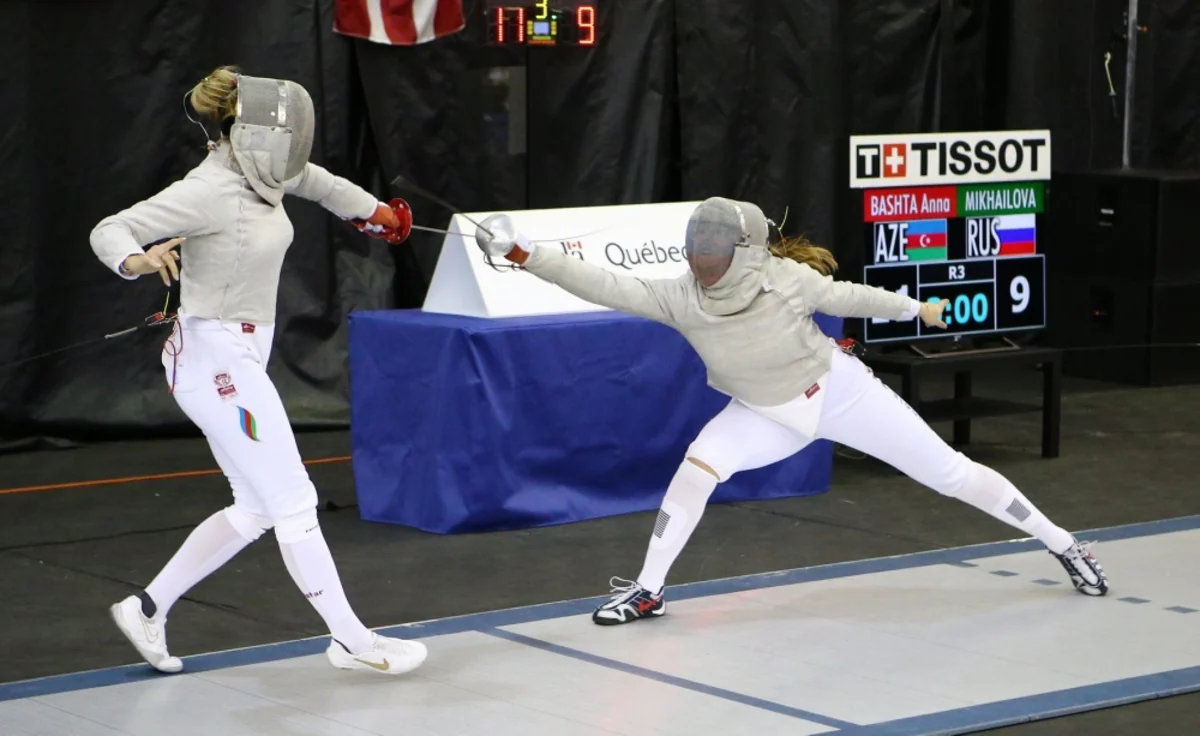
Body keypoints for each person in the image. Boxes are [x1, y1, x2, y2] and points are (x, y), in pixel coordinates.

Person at [472, 198, 1109, 626]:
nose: (703, 258)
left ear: (746, 250)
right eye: (699, 245)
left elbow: (851, 296)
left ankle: (1065, 543)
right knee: (697, 468)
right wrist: (525, 253)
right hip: (762, 411)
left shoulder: (785, 280)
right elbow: (601, 282)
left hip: (838, 394)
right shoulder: (680, 297)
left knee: (949, 474)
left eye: (715, 246)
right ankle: (649, 591)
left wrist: (917, 309)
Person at [90, 66, 425, 675]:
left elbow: (323, 184)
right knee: (294, 500)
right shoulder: (206, 189)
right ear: (248, 134)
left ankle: (146, 608)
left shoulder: (269, 169)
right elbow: (112, 228)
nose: (294, 150)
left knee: (256, 508)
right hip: (214, 360)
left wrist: (379, 214)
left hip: (238, 356)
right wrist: (137, 260)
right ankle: (352, 641)